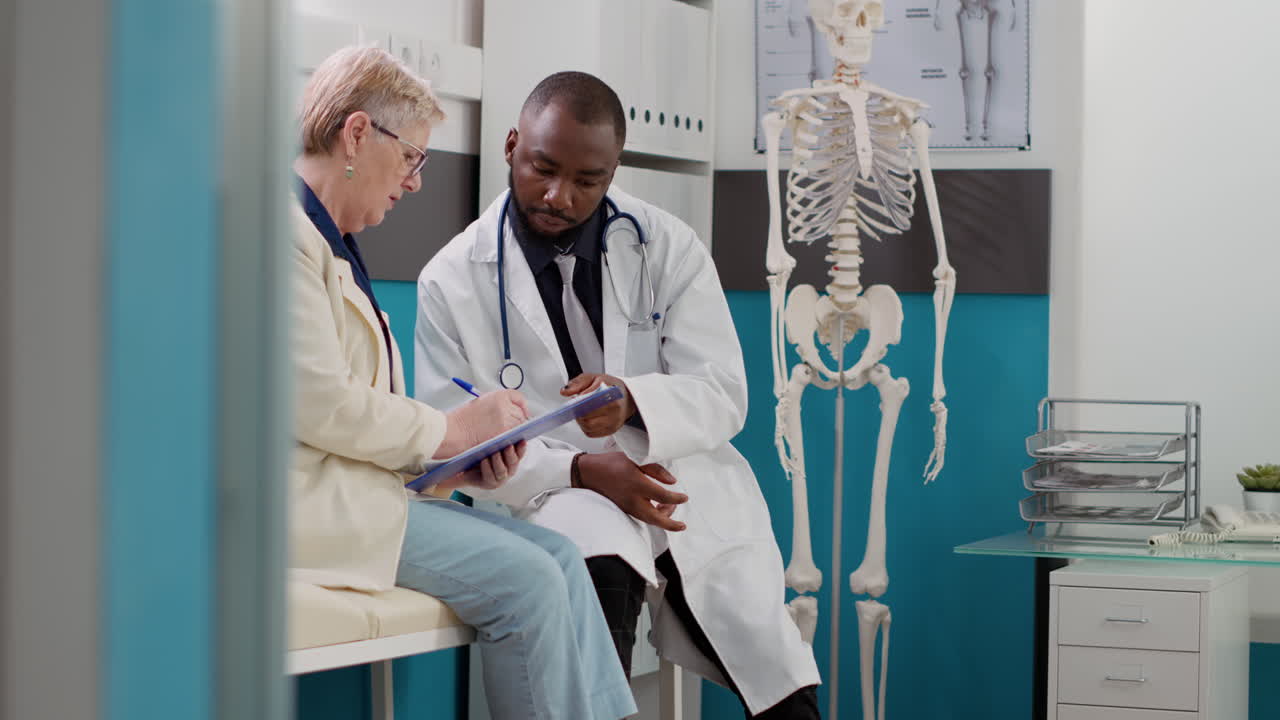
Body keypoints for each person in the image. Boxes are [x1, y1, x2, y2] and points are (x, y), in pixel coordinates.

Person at [415, 71, 821, 718]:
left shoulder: (668, 247)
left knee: (775, 668)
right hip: (551, 494)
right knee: (595, 589)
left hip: (678, 481)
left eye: (587, 181)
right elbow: (452, 434)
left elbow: (723, 392)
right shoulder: (451, 281)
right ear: (511, 145)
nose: (559, 196)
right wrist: (580, 469)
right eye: (542, 169)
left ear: (613, 171)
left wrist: (634, 401)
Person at [289, 48, 635, 720]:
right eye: (413, 156)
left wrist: (452, 465)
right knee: (530, 581)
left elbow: (357, 413)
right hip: (310, 513)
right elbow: (321, 405)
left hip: (361, 494)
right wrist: (453, 430)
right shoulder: (285, 241)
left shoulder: (328, 245)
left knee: (562, 557)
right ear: (358, 133)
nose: (416, 181)